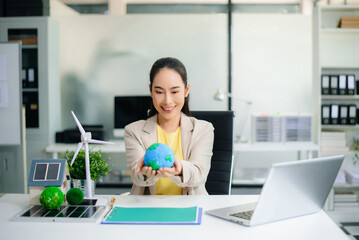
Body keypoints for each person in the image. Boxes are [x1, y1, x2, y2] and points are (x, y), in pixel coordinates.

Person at [124, 57, 214, 195]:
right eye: (159, 92)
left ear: (186, 90)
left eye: (174, 91)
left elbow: (199, 174)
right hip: (148, 210)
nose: (167, 101)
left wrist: (179, 169)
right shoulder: (133, 131)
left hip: (189, 209)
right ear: (151, 90)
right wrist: (144, 172)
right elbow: (136, 177)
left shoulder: (203, 129)